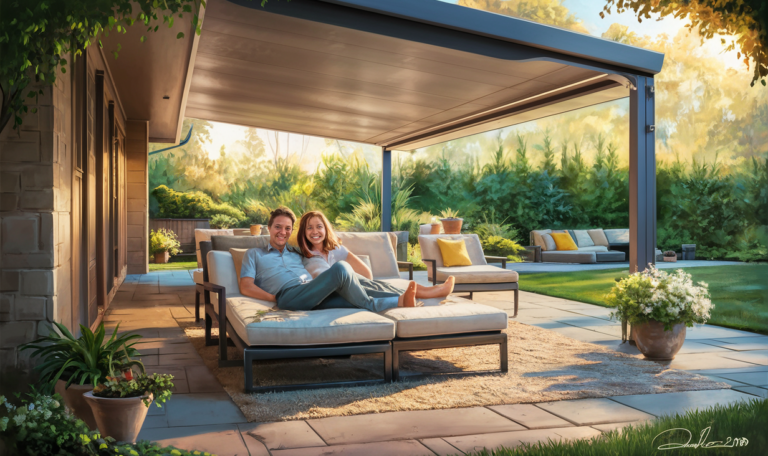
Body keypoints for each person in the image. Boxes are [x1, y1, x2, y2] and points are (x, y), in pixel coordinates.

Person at [239, 206, 418, 312]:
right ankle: (392, 300)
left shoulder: (298, 252)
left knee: (352, 297)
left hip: (313, 291)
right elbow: (246, 286)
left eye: (287, 228)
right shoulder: (254, 254)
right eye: (278, 227)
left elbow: (318, 255)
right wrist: (274, 298)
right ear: (269, 228)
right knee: (341, 268)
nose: (282, 232)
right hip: (288, 295)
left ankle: (401, 300)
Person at [297, 210, 455, 299]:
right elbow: (320, 281)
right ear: (303, 232)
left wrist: (352, 280)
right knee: (370, 284)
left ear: (326, 229)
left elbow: (366, 273)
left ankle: (430, 291)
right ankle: (430, 291)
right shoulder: (305, 256)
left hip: (347, 288)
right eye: (309, 228)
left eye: (319, 226)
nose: (315, 231)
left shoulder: (335, 249)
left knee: (378, 285)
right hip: (330, 295)